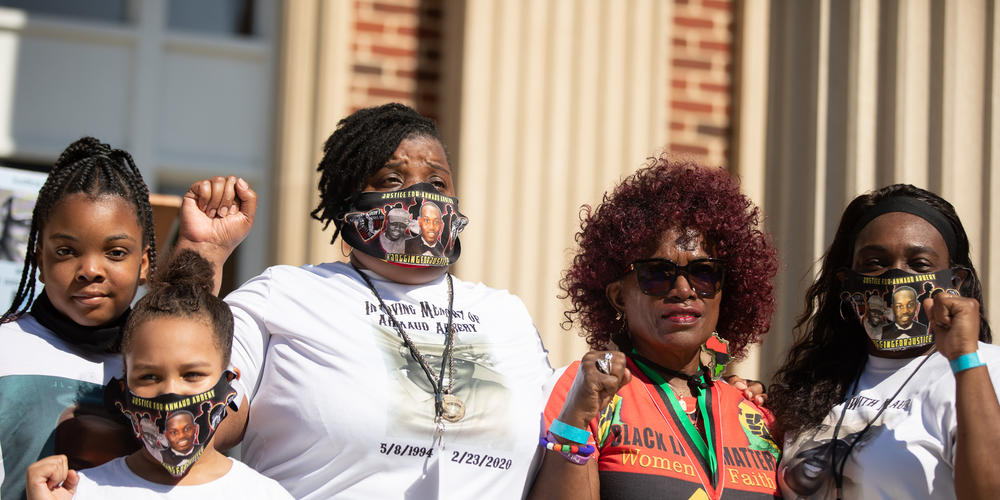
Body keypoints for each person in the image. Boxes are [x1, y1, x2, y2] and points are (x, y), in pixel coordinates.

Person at [176, 102, 552, 499]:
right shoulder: (284, 296)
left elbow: (557, 461)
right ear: (348, 206)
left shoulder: (507, 316)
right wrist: (198, 260)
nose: (421, 197)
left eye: (438, 184)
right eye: (392, 179)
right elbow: (193, 423)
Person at [528, 159, 780, 499]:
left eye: (704, 272)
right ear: (618, 296)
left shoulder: (756, 414)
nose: (684, 289)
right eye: (657, 273)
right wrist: (576, 418)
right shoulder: (587, 394)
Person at [769, 184, 1000, 499]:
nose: (895, 278)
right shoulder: (817, 382)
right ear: (847, 283)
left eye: (919, 264)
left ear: (954, 282)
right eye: (875, 263)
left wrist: (964, 358)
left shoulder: (985, 370)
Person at [24, 250, 293, 499]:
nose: (170, 391)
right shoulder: (79, 492)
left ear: (229, 382)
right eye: (149, 377)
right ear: (122, 391)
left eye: (192, 374)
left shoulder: (263, 494)